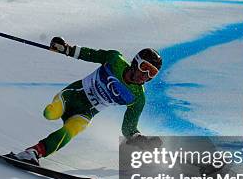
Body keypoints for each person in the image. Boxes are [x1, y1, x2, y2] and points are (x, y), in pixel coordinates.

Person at [10, 37, 162, 166]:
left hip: (86, 113)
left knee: (70, 132)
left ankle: (34, 152)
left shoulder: (137, 98)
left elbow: (129, 127)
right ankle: (43, 132)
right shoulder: (115, 60)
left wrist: (138, 139)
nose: (146, 75)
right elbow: (90, 54)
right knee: (49, 113)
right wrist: (66, 49)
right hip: (72, 96)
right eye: (145, 67)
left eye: (152, 73)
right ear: (136, 62)